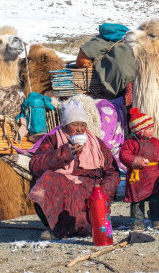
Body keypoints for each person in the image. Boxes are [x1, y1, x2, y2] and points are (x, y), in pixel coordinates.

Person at [27, 100, 120, 239]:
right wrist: (65, 152)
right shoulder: (53, 140)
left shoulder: (96, 143)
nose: (80, 129)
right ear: (65, 125)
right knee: (44, 181)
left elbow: (112, 171)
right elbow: (35, 165)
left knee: (90, 218)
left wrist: (104, 192)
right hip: (64, 186)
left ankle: (86, 226)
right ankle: (58, 229)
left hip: (92, 188)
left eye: (83, 125)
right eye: (75, 124)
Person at [119, 108, 159, 232]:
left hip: (155, 176)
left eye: (152, 127)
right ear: (139, 130)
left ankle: (158, 220)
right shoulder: (130, 143)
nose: (152, 131)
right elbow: (124, 155)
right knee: (137, 200)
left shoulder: (156, 142)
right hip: (138, 177)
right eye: (149, 128)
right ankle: (137, 222)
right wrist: (135, 161)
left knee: (156, 198)